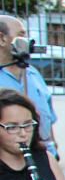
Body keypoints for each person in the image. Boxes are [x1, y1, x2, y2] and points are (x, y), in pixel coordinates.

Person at [0, 15, 59, 157]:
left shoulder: (32, 74)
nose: (27, 41)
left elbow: (48, 114)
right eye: (21, 35)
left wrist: (53, 147)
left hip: (43, 153)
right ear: (2, 39)